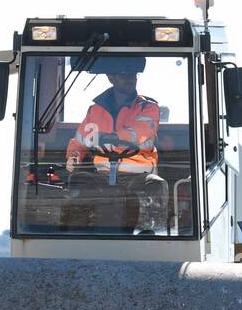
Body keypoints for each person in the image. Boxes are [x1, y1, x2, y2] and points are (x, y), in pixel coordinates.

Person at [62, 64, 166, 232]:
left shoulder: (148, 107)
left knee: (155, 185)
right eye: (124, 74)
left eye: (133, 74)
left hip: (138, 176)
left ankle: (150, 234)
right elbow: (81, 139)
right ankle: (77, 235)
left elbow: (142, 131)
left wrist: (117, 136)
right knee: (79, 181)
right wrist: (74, 156)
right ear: (111, 78)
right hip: (102, 174)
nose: (130, 78)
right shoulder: (95, 111)